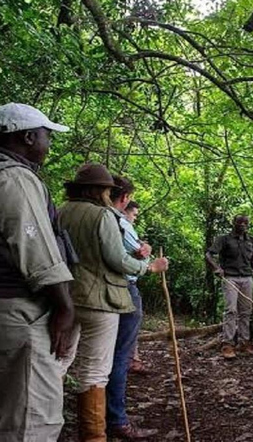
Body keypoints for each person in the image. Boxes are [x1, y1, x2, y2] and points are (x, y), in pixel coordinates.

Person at [0, 102, 75, 441]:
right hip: (16, 308)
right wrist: (64, 305)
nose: (48, 145)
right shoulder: (11, 176)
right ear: (27, 137)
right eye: (46, 137)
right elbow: (35, 248)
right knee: (32, 419)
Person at [59, 164, 167, 442]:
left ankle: (48, 423)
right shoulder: (102, 216)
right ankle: (94, 435)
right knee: (95, 369)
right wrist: (149, 268)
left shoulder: (61, 211)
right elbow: (116, 259)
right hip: (99, 299)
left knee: (60, 360)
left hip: (64, 297)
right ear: (101, 191)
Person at [105, 177, 154, 440]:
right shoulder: (114, 221)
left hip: (102, 292)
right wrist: (149, 263)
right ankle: (116, 419)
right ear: (124, 198)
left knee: (105, 356)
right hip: (122, 288)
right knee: (119, 355)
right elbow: (130, 256)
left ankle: (110, 415)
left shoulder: (79, 213)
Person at [205, 215, 253, 359]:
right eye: (239, 222)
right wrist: (217, 268)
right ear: (233, 223)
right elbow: (209, 255)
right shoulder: (224, 239)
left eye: (245, 223)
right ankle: (227, 344)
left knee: (246, 312)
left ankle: (244, 342)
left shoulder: (251, 240)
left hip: (247, 278)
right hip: (230, 278)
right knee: (231, 310)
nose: (242, 225)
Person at [123, 201, 151, 375]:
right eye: (134, 214)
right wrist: (147, 251)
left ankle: (133, 358)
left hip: (124, 282)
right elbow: (141, 255)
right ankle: (130, 360)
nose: (134, 219)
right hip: (126, 282)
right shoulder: (123, 226)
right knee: (131, 322)